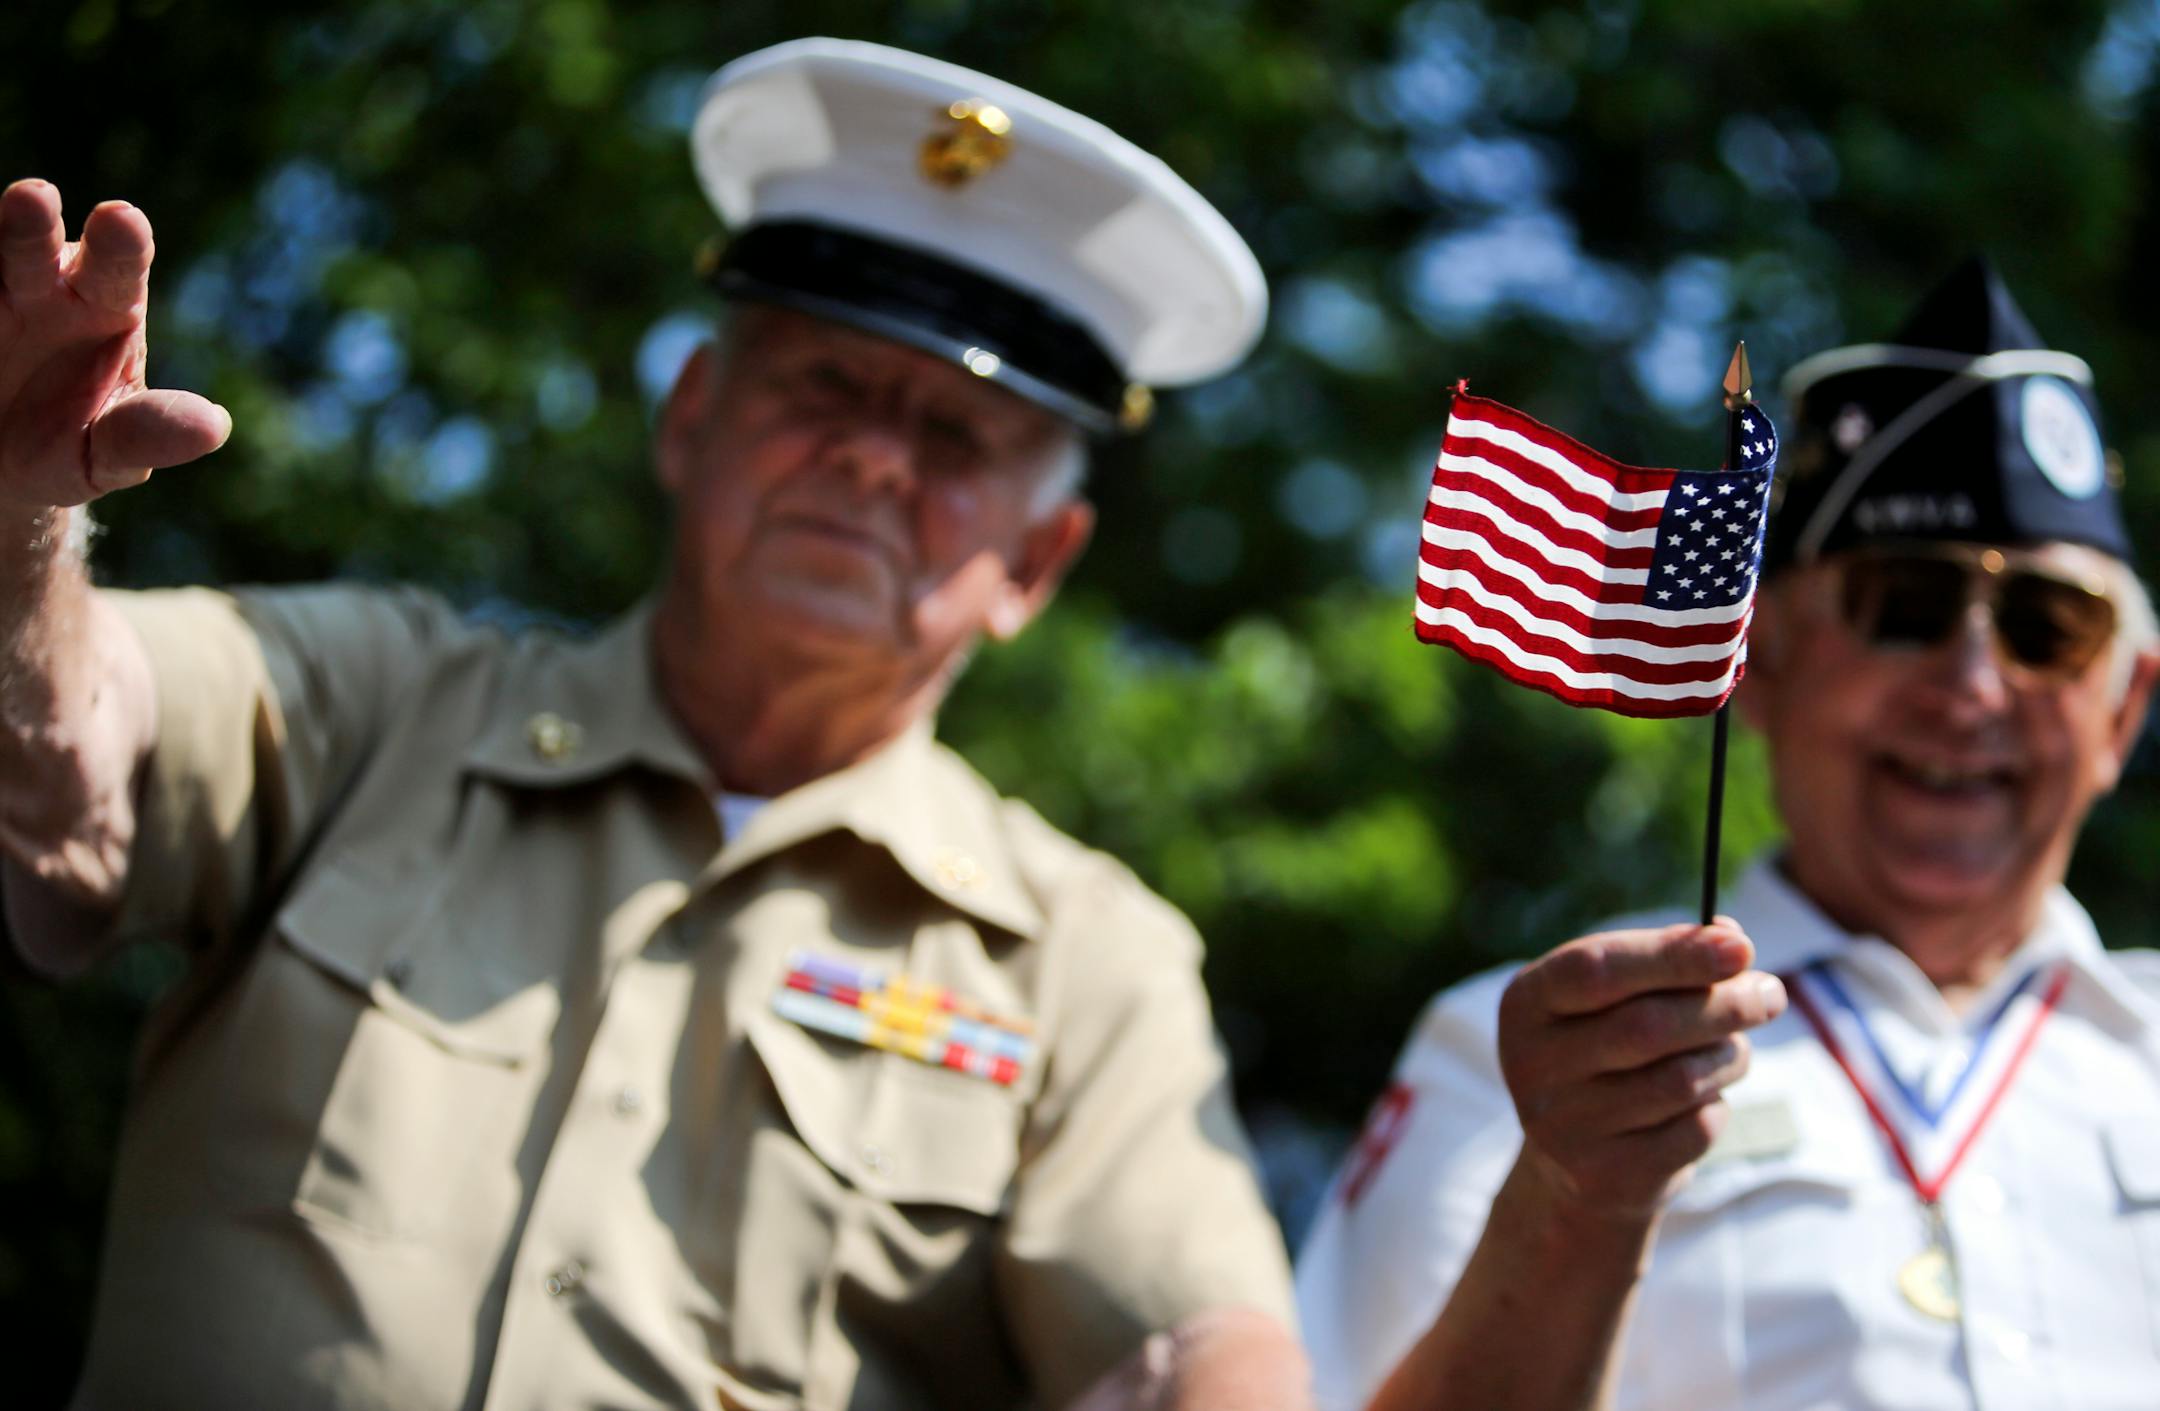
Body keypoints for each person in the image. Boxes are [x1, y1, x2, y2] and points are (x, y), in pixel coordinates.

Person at [0, 37, 1313, 1411]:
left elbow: (1188, 1361)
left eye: (955, 437)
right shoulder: (379, 705)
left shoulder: (1085, 964)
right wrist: (16, 527)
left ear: (1035, 565)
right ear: (692, 417)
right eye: (825, 384)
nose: (874, 453)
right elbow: (67, 754)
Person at [1293, 258, 2160, 1411]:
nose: (1973, 682)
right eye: (1900, 606)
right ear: (1763, 667)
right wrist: (1571, 1194)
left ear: (2126, 706)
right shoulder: (1530, 1053)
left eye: (2048, 627)